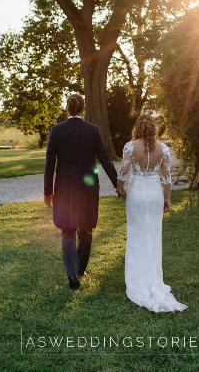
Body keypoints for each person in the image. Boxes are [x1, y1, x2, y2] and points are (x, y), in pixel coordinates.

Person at [44, 94, 118, 290]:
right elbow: (104, 158)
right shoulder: (93, 130)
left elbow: (50, 163)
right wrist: (117, 183)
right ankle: (80, 269)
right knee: (86, 230)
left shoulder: (57, 131)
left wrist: (47, 191)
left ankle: (72, 274)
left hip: (65, 188)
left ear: (67, 109)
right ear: (82, 109)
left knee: (68, 231)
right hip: (87, 188)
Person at [117, 114, 187, 312]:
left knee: (136, 235)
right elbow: (166, 177)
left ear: (137, 128)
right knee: (153, 237)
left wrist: (120, 187)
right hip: (155, 195)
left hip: (137, 194)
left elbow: (124, 170)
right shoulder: (163, 148)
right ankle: (153, 279)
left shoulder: (130, 147)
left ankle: (137, 280)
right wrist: (167, 199)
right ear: (154, 129)